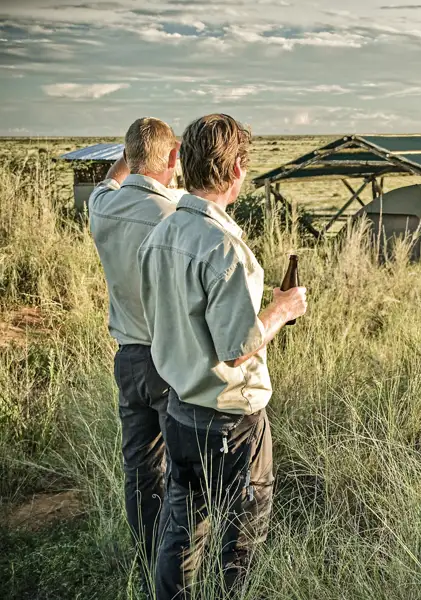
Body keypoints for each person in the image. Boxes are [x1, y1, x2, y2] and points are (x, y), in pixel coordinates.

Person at [138, 114, 307, 599]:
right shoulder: (226, 249)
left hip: (178, 410)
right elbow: (236, 350)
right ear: (236, 169)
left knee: (181, 530)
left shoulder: (160, 236)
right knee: (240, 540)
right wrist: (281, 309)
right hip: (231, 423)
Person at [87, 117, 181, 595]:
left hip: (127, 357)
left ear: (126, 155)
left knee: (139, 468)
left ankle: (146, 564)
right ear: (172, 157)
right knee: (183, 474)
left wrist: (126, 159)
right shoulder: (175, 214)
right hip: (170, 359)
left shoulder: (101, 207)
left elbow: (108, 181)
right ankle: (175, 571)